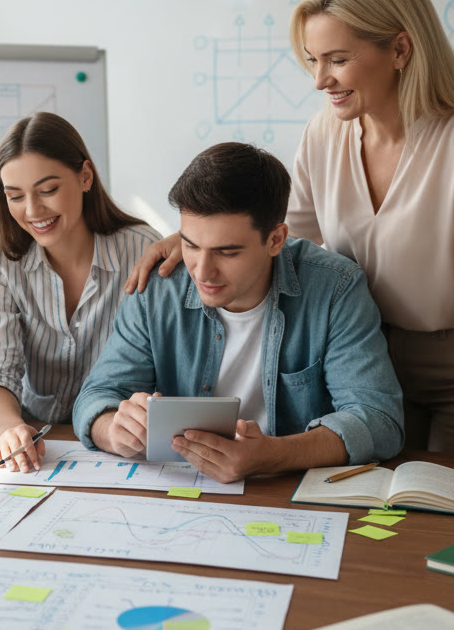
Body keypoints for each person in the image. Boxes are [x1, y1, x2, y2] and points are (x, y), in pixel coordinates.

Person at [127, 0, 454, 480]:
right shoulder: (327, 133)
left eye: (337, 59)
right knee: (382, 516)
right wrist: (186, 240)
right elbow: (277, 231)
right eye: (314, 60)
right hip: (374, 356)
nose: (320, 79)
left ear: (400, 49)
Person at [74, 142, 403, 483]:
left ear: (276, 240)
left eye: (226, 252)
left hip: (290, 496)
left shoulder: (335, 288)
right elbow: (95, 397)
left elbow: (379, 420)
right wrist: (111, 428)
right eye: (190, 245)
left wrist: (274, 455)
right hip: (181, 493)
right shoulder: (156, 287)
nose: (202, 271)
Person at [0, 112, 159, 472]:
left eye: (48, 190)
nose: (32, 211)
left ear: (85, 177)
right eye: (15, 196)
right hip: (37, 449)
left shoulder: (141, 249)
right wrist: (10, 427)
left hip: (118, 445)